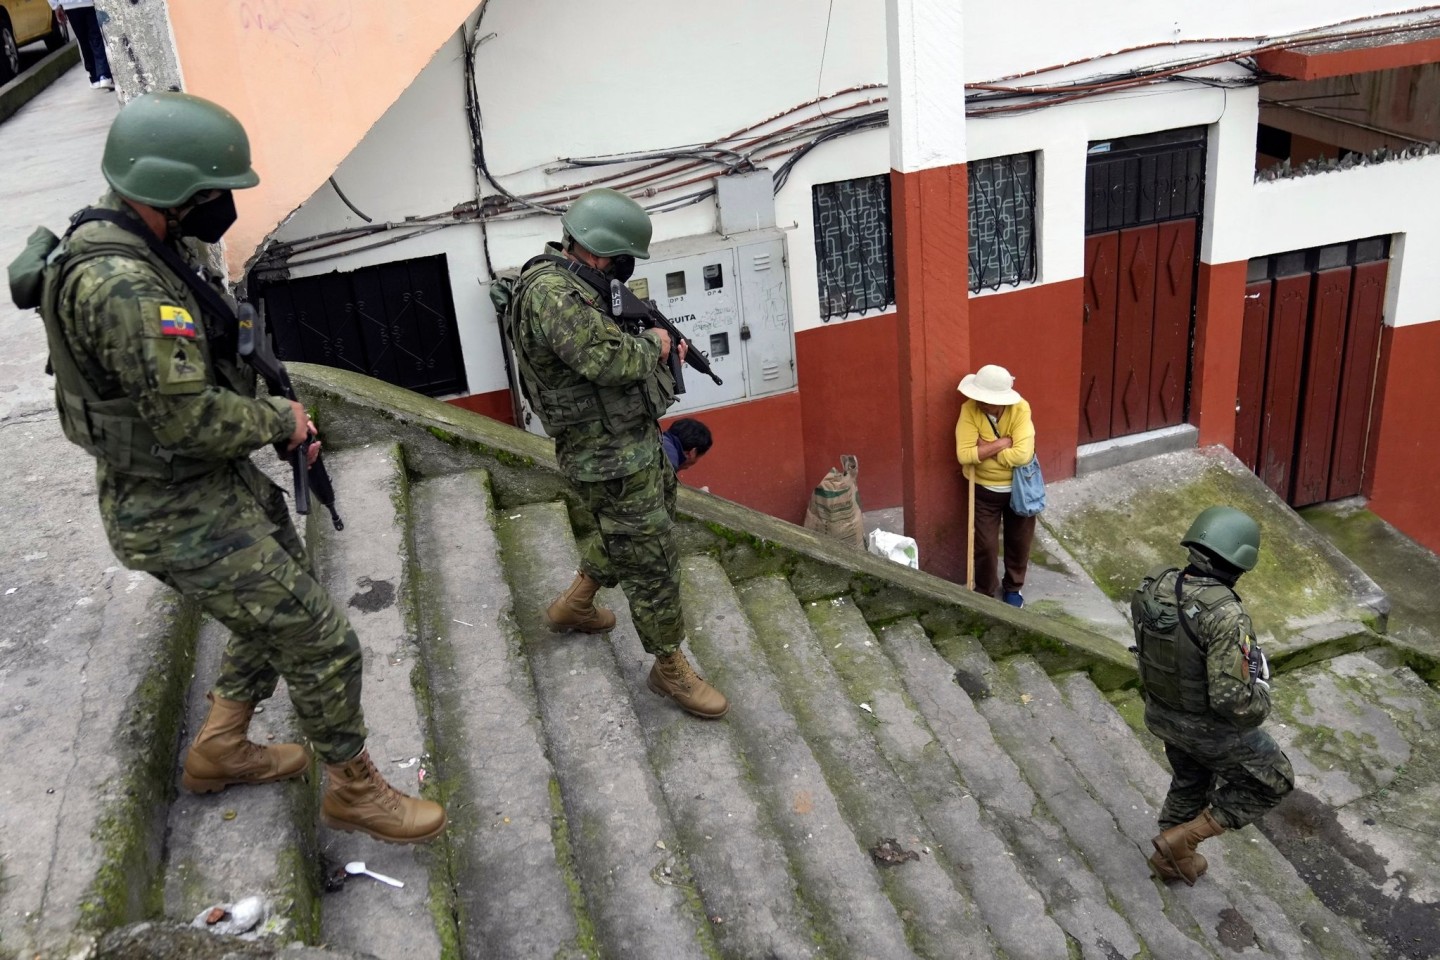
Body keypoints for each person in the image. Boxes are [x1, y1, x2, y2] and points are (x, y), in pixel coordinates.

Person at [32, 92, 444, 843]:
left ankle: (220, 747)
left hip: (200, 482)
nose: (224, 205)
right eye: (215, 192)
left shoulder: (145, 243)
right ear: (173, 193)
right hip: (172, 506)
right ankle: (355, 790)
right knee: (321, 640)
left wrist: (273, 417)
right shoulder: (124, 286)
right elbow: (187, 420)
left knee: (280, 600)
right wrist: (277, 420)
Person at [506, 188, 728, 719]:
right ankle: (669, 667)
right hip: (608, 457)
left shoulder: (569, 285)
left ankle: (575, 603)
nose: (625, 271)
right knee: (652, 562)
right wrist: (655, 342)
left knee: (632, 533)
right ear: (603, 251)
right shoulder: (550, 294)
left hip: (625, 445)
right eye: (625, 260)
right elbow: (609, 362)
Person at [1130, 507, 1294, 885]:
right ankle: (1184, 838)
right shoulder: (1225, 614)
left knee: (1191, 780)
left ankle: (1170, 859)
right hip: (1205, 728)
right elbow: (1231, 701)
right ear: (1241, 561)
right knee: (1275, 781)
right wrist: (1262, 692)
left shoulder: (1153, 584)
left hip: (1162, 714)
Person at [955, 364, 1036, 607]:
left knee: (1019, 542)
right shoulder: (969, 409)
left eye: (987, 400)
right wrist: (1003, 443)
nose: (980, 403)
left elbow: (1023, 455)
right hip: (983, 489)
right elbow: (964, 454)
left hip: (1019, 489)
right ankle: (985, 592)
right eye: (978, 397)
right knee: (986, 546)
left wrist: (986, 448)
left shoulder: (1021, 409)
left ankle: (1013, 588)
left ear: (1002, 400)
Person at [48, 0, 113, 89]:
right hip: (89, 3)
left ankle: (94, 78)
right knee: (96, 37)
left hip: (69, 5)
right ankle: (104, 75)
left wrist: (56, 6)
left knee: (83, 40)